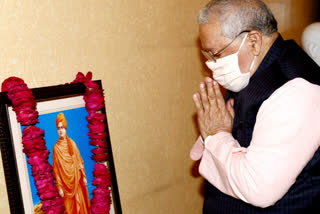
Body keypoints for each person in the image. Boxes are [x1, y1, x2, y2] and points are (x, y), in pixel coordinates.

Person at [190, 0, 320, 213]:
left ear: (253, 41)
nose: (211, 64)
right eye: (207, 55)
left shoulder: (297, 91)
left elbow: (259, 188)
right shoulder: (249, 68)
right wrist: (215, 132)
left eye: (216, 54)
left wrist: (217, 135)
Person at [53, 112, 91, 214]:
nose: (60, 130)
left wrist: (83, 176)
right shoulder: (56, 148)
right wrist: (59, 187)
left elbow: (79, 161)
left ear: (65, 128)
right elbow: (56, 170)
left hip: (76, 181)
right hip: (65, 187)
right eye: (58, 128)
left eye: (62, 127)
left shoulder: (72, 143)